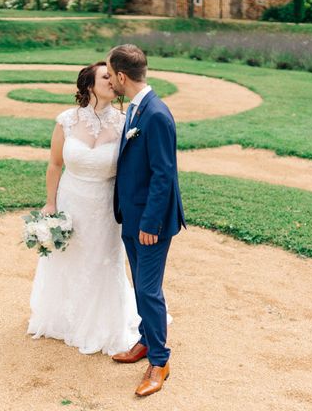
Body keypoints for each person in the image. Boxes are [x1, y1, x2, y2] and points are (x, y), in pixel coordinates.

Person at [27, 61, 141, 356]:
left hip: (104, 206)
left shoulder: (125, 122)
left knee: (103, 261)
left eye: (113, 77)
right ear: (89, 85)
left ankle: (102, 324)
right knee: (69, 258)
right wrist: (50, 203)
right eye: (105, 76)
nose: (112, 81)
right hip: (71, 200)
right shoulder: (66, 120)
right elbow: (55, 164)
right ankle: (65, 318)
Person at [107, 44, 186, 397]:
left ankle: (159, 360)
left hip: (150, 223)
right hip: (134, 215)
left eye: (110, 75)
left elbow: (164, 175)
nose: (109, 80)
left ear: (123, 76)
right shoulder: (137, 109)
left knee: (148, 290)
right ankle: (144, 339)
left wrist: (151, 224)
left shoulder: (156, 114)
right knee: (140, 284)